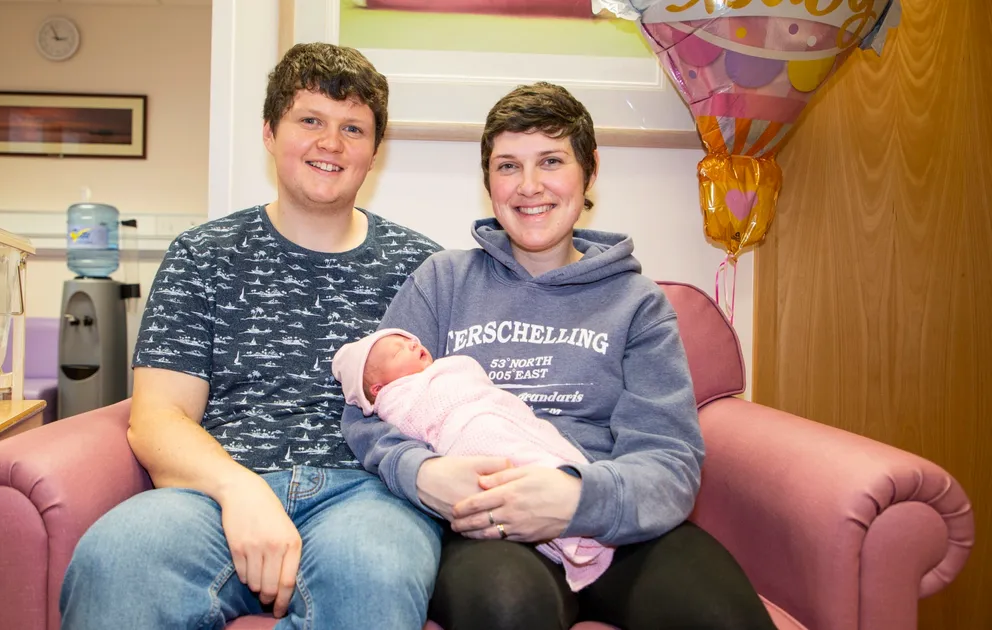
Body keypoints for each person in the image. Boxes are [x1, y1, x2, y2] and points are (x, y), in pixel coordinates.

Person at [343, 82, 778, 630]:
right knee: (507, 610)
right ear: (487, 182)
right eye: (507, 166)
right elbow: (369, 411)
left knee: (724, 619)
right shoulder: (443, 282)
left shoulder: (637, 303)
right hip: (490, 525)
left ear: (589, 170)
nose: (529, 187)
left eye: (551, 160)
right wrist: (423, 472)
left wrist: (577, 499)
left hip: (615, 516)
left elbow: (669, 457)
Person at [59, 42, 444, 630]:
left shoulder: (424, 268)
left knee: (376, 575)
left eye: (353, 129)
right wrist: (240, 491)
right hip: (212, 493)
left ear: (374, 152)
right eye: (309, 120)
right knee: (116, 559)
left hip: (368, 497)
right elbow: (157, 417)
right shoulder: (203, 255)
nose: (331, 144)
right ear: (269, 131)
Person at [331, 328, 613, 592]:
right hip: (470, 438)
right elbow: (413, 427)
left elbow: (479, 385)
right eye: (398, 352)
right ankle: (572, 532)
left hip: (502, 417)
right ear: (379, 389)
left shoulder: (448, 370)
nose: (413, 344)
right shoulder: (396, 400)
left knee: (544, 452)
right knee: (512, 475)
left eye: (410, 340)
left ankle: (578, 498)